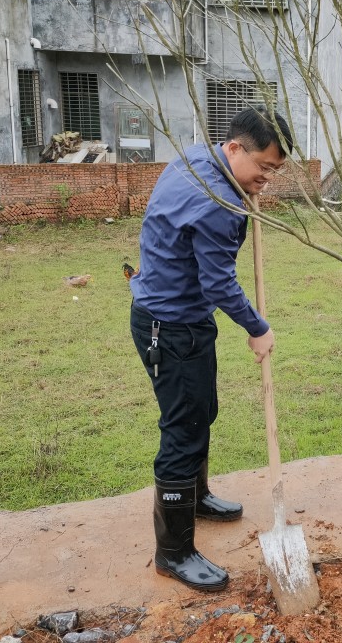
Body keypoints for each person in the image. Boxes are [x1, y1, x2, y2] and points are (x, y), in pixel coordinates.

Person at [129, 107, 292, 591]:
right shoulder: (217, 201)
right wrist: (257, 327)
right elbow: (219, 282)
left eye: (275, 171)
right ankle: (174, 552)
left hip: (182, 318)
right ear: (235, 148)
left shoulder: (200, 157)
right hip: (171, 325)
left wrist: (250, 187)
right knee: (183, 431)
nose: (267, 178)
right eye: (263, 167)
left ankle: (195, 497)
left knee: (203, 411)